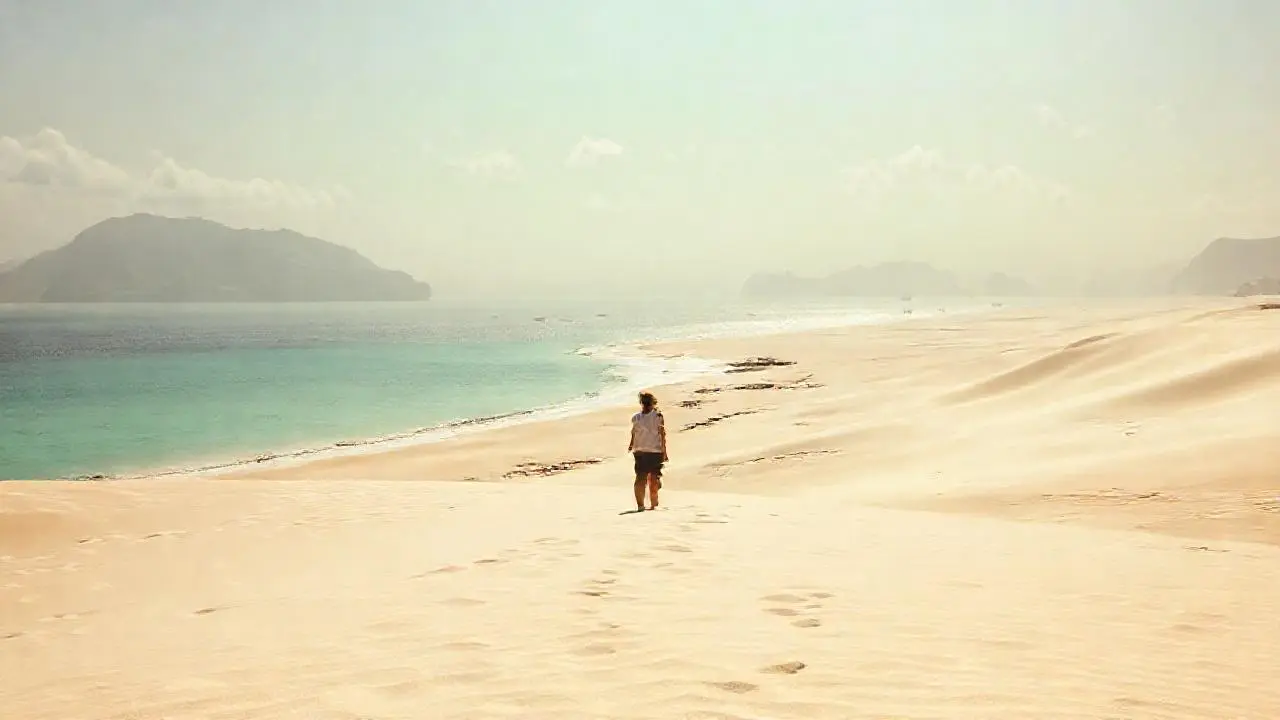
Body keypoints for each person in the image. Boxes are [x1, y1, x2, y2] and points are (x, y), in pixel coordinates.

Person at [627, 391, 667, 511]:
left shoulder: (636, 418)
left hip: (639, 450)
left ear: (641, 403)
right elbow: (662, 434)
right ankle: (654, 504)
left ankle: (640, 505)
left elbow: (633, 433)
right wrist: (665, 452)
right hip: (655, 450)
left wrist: (631, 445)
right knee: (654, 478)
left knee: (640, 478)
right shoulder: (658, 416)